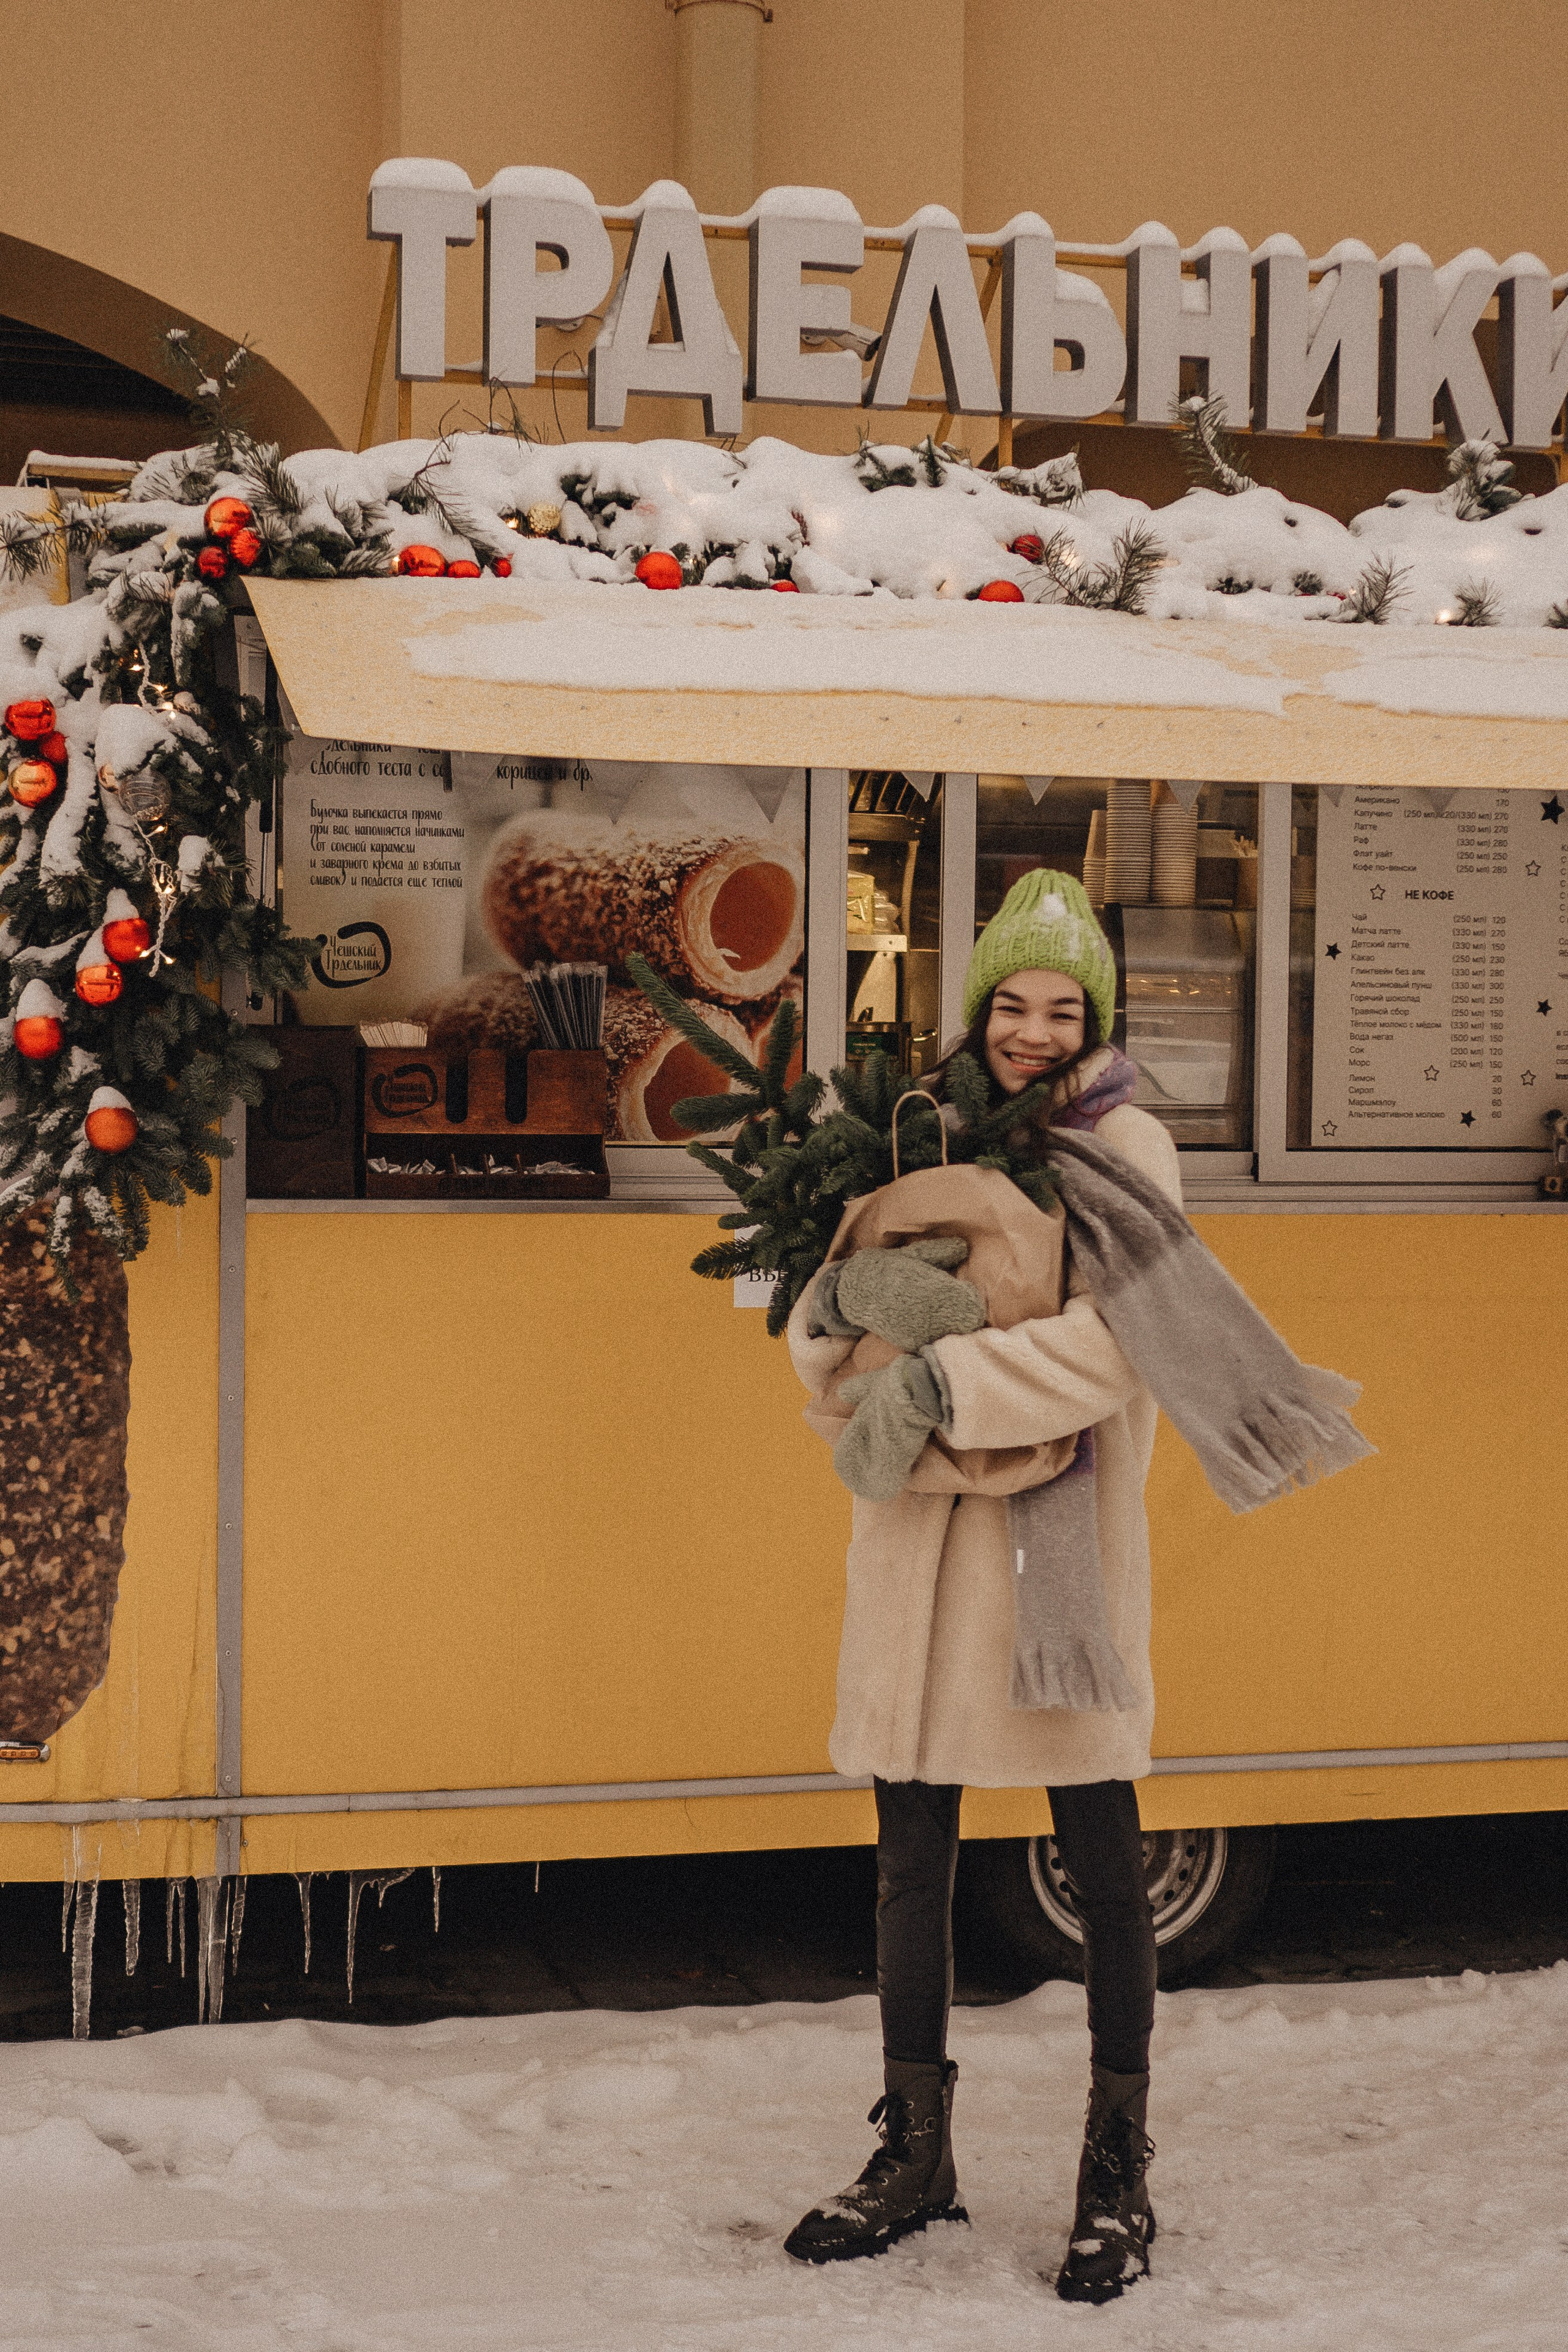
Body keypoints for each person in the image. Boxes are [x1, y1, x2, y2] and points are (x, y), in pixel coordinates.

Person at [783, 867, 1175, 2305]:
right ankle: (916, 2155)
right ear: (975, 1008)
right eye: (1009, 1002)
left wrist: (940, 1372)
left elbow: (1116, 1349)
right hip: (918, 1541)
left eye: (1059, 1007)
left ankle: (1114, 2173)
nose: (1029, 1029)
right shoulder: (911, 1130)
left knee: (1102, 1855)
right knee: (908, 1848)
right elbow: (814, 1315)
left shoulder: (1125, 1144)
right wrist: (841, 1343)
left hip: (1052, 1538)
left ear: (1093, 1019)